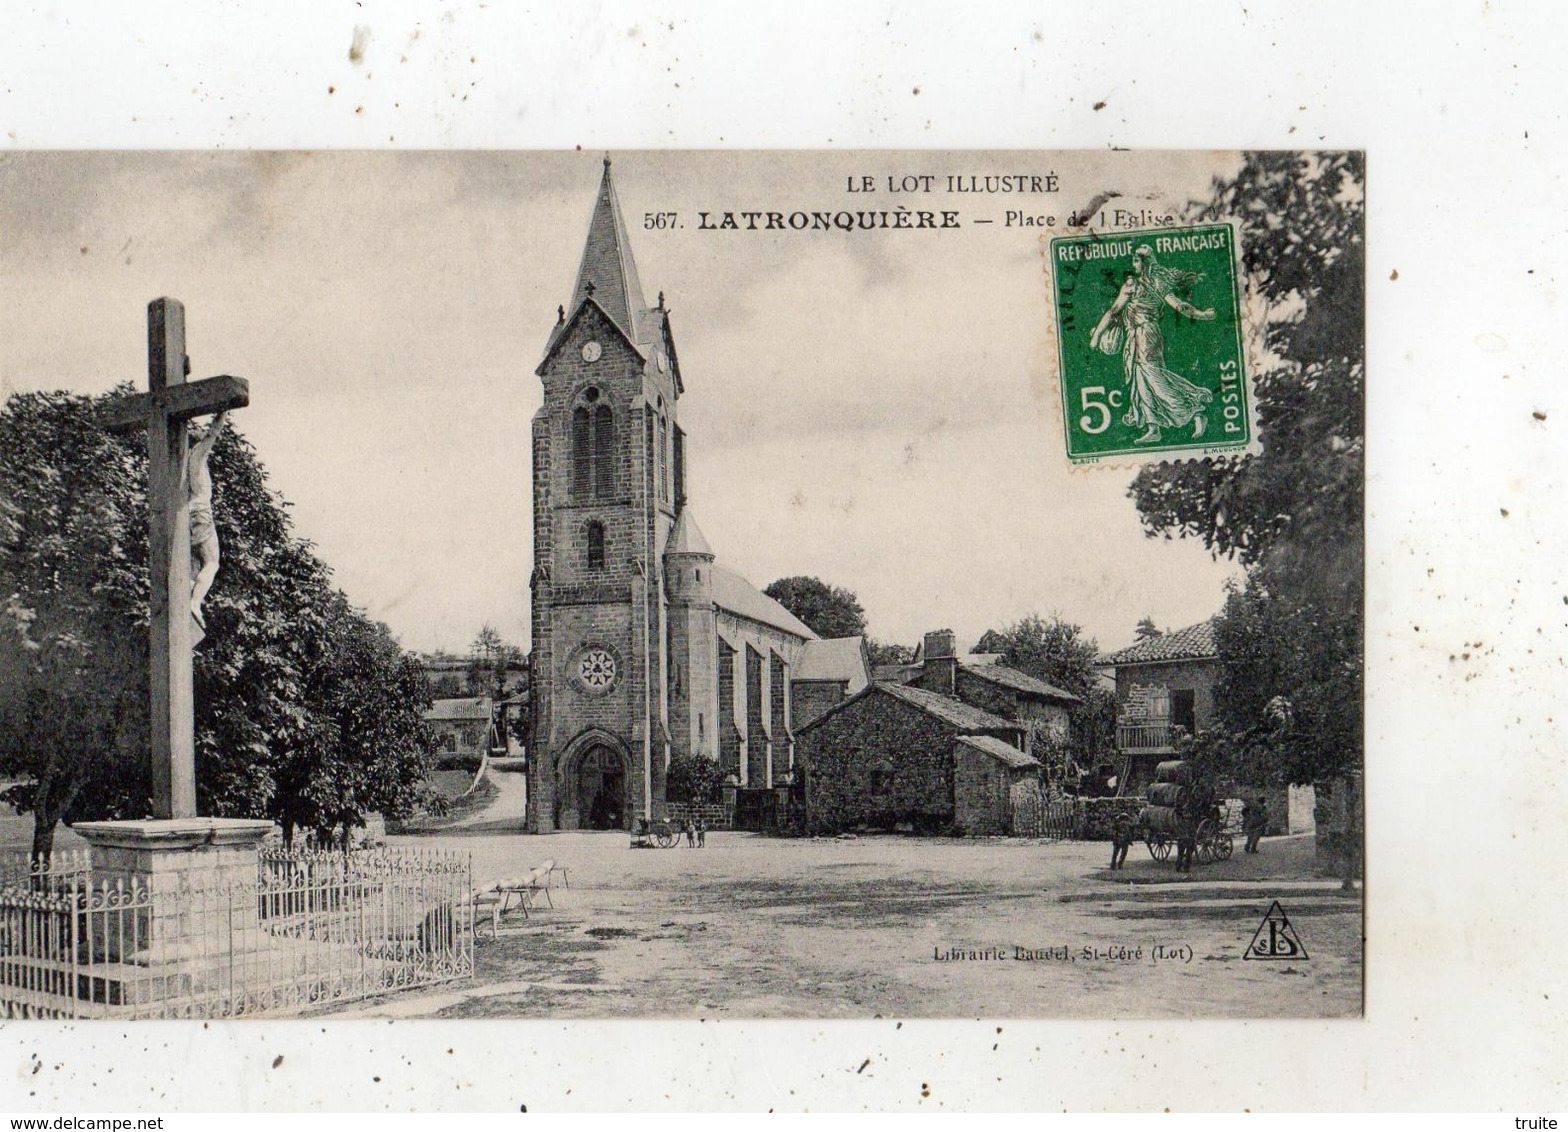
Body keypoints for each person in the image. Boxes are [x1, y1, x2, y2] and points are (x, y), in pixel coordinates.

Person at [1089, 245, 1216, 445]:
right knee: (1141, 380)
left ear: (1146, 263)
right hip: (1136, 335)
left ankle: (1195, 412)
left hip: (1146, 334)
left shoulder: (1152, 283)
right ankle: (1153, 428)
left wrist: (1202, 315)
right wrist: (1097, 335)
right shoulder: (1136, 284)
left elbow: (1179, 306)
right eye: (1133, 260)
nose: (1134, 264)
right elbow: (1114, 311)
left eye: (1137, 261)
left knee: (1154, 377)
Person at [186, 410, 229, 629]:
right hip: (201, 510)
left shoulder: (180, 463)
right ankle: (194, 602)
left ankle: (189, 596)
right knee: (212, 562)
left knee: (194, 563)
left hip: (187, 513)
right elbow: (213, 432)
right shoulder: (197, 455)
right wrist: (223, 412)